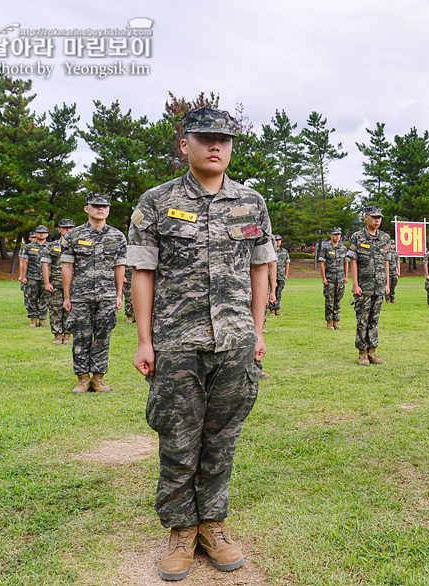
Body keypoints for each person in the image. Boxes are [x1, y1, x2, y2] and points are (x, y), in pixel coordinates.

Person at [127, 107, 276, 581]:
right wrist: (145, 341)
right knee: (177, 436)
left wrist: (257, 332)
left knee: (222, 436)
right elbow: (142, 273)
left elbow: (260, 270)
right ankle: (180, 529)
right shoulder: (154, 202)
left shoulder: (251, 203)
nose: (217, 146)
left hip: (234, 340)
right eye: (206, 138)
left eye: (225, 139)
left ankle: (212, 523)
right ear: (184, 144)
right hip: (176, 341)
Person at [61, 194, 126, 394]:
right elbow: (67, 266)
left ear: (109, 209)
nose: (101, 209)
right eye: (96, 206)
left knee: (103, 337)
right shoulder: (73, 236)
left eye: (105, 206)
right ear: (86, 209)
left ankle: (98, 378)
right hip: (80, 296)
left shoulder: (118, 236)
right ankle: (82, 378)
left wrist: (118, 294)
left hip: (106, 296)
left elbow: (120, 266)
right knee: (81, 336)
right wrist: (66, 296)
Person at [347, 205, 390, 366]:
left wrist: (387, 283)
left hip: (379, 286)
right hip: (363, 287)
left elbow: (387, 260)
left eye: (379, 217)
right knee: (362, 320)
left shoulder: (385, 237)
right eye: (374, 217)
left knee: (374, 320)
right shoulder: (358, 237)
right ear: (366, 217)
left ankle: (372, 351)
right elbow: (354, 262)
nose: (377, 220)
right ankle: (362, 353)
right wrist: (355, 284)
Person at [42, 219, 75, 344]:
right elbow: (45, 264)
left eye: (70, 228)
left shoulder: (77, 246)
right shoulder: (51, 246)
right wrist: (46, 282)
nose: (67, 230)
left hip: (73, 284)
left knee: (70, 310)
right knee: (55, 309)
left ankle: (67, 335)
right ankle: (57, 334)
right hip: (55, 282)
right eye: (65, 227)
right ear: (59, 229)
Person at [18, 225, 50, 327]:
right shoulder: (28, 247)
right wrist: (23, 276)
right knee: (31, 298)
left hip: (46, 278)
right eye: (39, 232)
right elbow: (24, 262)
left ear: (47, 234)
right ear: (35, 234)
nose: (41, 234)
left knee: (44, 298)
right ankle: (33, 319)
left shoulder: (51, 247)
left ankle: (42, 319)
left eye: (43, 232)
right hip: (32, 277)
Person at [318, 227, 348, 329]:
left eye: (339, 234)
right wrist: (324, 277)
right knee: (329, 301)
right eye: (335, 234)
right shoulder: (326, 248)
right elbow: (322, 263)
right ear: (331, 235)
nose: (337, 236)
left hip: (340, 279)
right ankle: (329, 322)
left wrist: (346, 276)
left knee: (338, 301)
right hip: (330, 279)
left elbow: (346, 263)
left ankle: (336, 321)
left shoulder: (343, 248)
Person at [267, 236, 290, 316]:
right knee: (271, 291)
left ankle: (277, 309)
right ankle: (272, 309)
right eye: (276, 240)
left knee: (279, 292)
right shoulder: (271, 251)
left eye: (279, 240)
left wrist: (286, 275)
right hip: (272, 276)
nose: (278, 242)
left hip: (281, 275)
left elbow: (287, 264)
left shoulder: (284, 252)